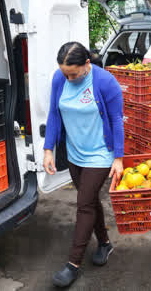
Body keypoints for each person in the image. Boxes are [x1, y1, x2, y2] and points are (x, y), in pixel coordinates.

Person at [43, 42, 124, 287]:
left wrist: (118, 158)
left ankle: (73, 264)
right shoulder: (59, 78)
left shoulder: (106, 82)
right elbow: (54, 115)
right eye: (65, 73)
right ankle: (105, 244)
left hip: (100, 153)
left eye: (74, 74)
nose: (69, 78)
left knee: (83, 204)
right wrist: (48, 150)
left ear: (87, 64)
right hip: (75, 153)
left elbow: (116, 119)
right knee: (89, 201)